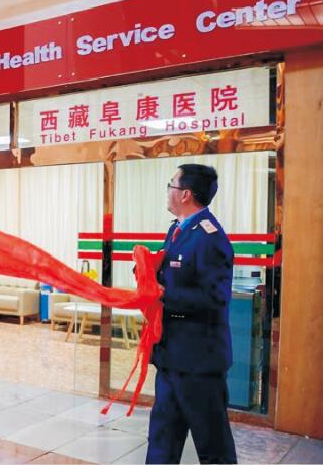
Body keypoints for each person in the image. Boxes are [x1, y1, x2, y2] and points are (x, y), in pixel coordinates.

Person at [146, 164, 237, 464]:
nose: (167, 191)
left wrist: (164, 294)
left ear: (185, 194)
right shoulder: (177, 229)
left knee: (213, 448)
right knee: (161, 441)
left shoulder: (210, 238)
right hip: (171, 357)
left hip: (199, 364)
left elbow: (215, 299)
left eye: (170, 184)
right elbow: (174, 277)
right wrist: (147, 274)